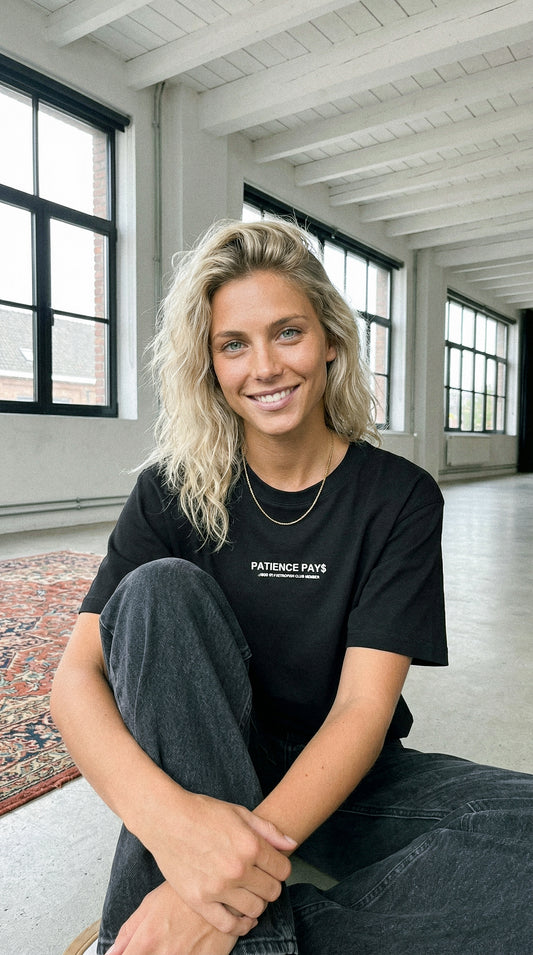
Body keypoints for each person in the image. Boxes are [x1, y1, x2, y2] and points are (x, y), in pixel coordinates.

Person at [51, 219, 532, 955]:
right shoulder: (168, 492)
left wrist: (206, 883)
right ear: (209, 363)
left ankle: (207, 932)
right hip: (198, 759)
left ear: (329, 339)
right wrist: (174, 826)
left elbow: (361, 710)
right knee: (157, 590)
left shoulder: (398, 497)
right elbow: (74, 683)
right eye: (233, 344)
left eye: (287, 333)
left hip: (341, 780)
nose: (265, 367)